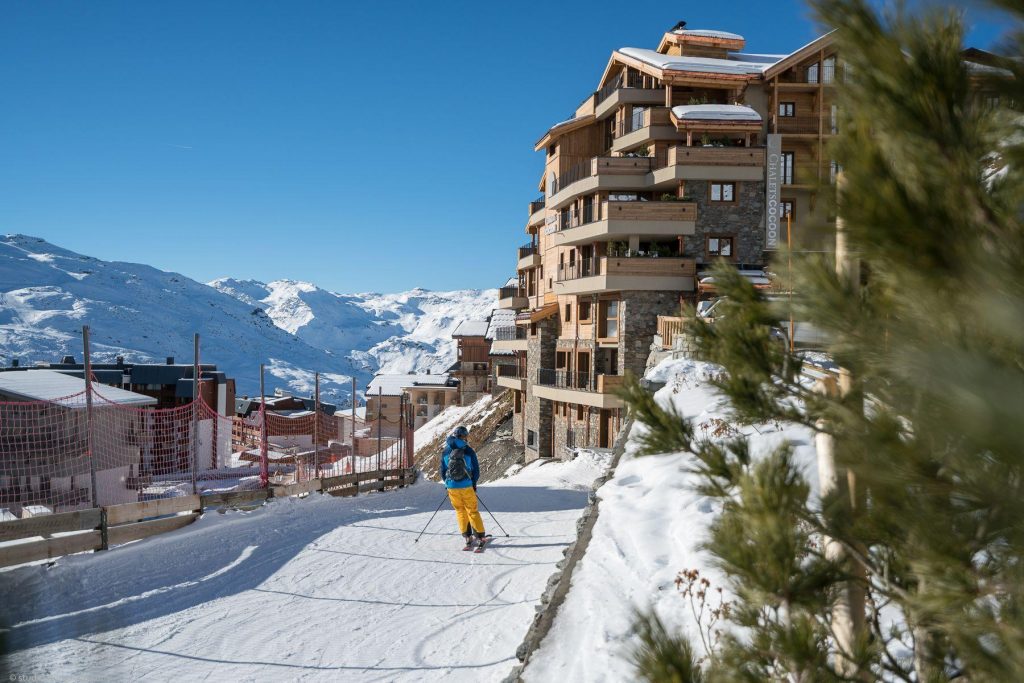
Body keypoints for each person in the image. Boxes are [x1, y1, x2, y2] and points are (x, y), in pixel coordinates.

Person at [440, 425, 486, 548]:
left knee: (460, 510)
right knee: (472, 510)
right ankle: (480, 537)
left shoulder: (446, 451)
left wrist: (448, 484)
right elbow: (476, 471)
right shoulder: (468, 450)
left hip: (451, 486)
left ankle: (467, 536)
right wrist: (473, 484)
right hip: (466, 485)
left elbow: (443, 471)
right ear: (465, 437)